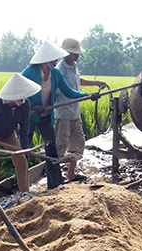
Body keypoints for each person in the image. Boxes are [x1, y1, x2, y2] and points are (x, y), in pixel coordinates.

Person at [21, 41, 99, 189]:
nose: (56, 61)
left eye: (56, 59)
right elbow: (20, 93)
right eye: (53, 59)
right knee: (25, 149)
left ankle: (55, 183)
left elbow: (68, 91)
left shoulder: (56, 73)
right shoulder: (30, 72)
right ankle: (21, 187)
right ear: (45, 60)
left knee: (51, 150)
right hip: (29, 117)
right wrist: (32, 105)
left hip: (46, 116)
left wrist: (87, 95)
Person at [55, 38, 109, 182]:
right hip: (63, 113)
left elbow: (78, 80)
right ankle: (55, 175)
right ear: (66, 53)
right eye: (74, 53)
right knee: (61, 144)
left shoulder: (74, 65)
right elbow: (67, 92)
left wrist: (95, 83)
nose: (77, 55)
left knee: (78, 143)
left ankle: (71, 173)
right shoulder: (59, 70)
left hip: (74, 113)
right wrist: (87, 96)